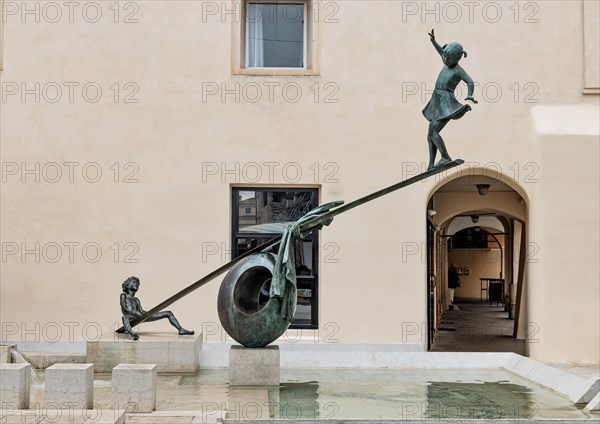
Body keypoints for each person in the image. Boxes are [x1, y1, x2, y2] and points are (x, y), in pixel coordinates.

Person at [423, 29, 478, 170]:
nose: (445, 59)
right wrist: (433, 41)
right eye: (445, 57)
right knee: (430, 134)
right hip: (437, 100)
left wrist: (470, 94)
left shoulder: (458, 70)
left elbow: (470, 81)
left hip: (446, 103)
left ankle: (445, 156)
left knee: (433, 132)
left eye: (449, 58)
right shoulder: (445, 58)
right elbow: (440, 50)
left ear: (457, 59)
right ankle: (431, 164)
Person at [116, 276, 194, 340]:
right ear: (127, 285)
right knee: (125, 317)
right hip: (131, 317)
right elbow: (125, 308)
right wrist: (137, 315)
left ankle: (181, 330)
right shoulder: (123, 295)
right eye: (134, 282)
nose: (136, 284)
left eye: (138, 283)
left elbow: (141, 310)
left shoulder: (136, 300)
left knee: (168, 313)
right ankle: (133, 335)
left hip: (140, 316)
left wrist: (149, 314)